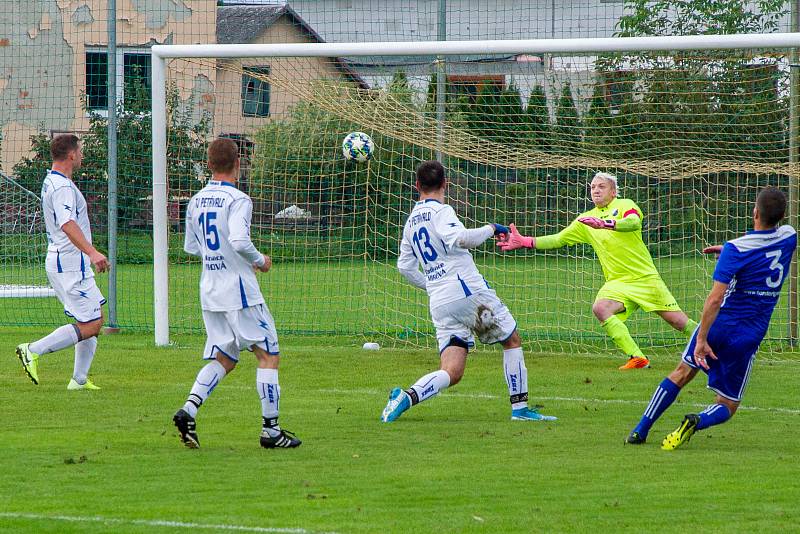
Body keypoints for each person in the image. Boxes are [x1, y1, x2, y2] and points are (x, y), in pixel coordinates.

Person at [381, 160, 556, 423]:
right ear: (445, 184)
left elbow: (405, 267)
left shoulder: (410, 222)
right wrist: (491, 228)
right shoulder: (441, 212)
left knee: (452, 371)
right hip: (467, 293)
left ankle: (405, 398)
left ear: (417, 186)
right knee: (511, 340)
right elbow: (462, 239)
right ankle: (520, 410)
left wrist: (431, 284)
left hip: (440, 302)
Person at [626, 187, 795, 450]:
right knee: (727, 403)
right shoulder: (789, 236)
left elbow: (715, 299)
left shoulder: (736, 250)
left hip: (719, 326)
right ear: (783, 215)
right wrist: (729, 249)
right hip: (749, 334)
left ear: (754, 212)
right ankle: (697, 420)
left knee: (682, 373)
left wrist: (701, 338)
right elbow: (763, 244)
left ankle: (639, 430)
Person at [172, 137, 300, 449]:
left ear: (208, 164)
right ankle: (271, 431)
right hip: (239, 291)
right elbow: (240, 240)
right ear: (238, 164)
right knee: (268, 355)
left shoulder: (196, 200)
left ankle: (189, 409)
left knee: (225, 357)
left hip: (210, 290)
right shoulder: (238, 200)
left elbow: (191, 247)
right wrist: (261, 261)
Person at [498, 172, 697, 370]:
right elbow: (558, 239)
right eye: (593, 187)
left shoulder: (625, 205)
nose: (596, 190)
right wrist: (525, 241)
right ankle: (638, 358)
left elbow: (633, 223)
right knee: (600, 308)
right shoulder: (586, 220)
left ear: (613, 191)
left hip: (645, 278)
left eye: (601, 186)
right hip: (617, 282)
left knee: (678, 322)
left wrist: (606, 224)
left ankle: (718, 345)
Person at [15, 134, 109, 390]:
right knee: (91, 324)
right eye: (80, 151)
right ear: (70, 154)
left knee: (94, 316)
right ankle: (32, 350)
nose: (82, 155)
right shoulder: (63, 188)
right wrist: (92, 252)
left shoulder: (54, 181)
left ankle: (79, 379)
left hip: (68, 261)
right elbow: (67, 224)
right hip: (69, 263)